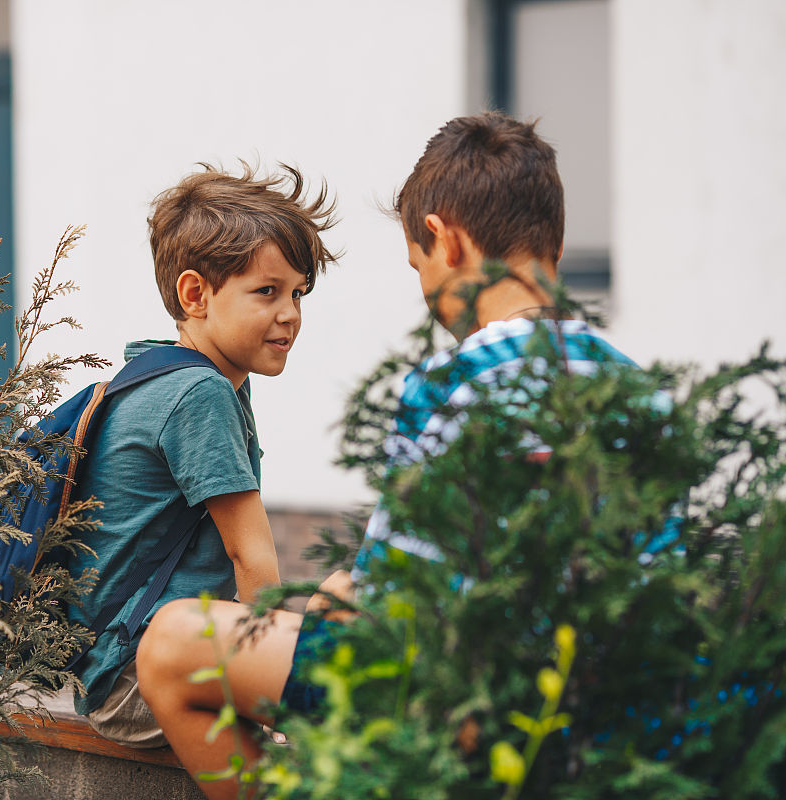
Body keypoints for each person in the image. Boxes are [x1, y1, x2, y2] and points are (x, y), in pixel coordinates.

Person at [135, 111, 637, 799]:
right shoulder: (632, 382)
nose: (427, 292)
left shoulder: (462, 378)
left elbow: (393, 601)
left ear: (444, 240)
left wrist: (317, 612)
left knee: (172, 644)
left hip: (467, 701)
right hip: (608, 696)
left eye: (419, 266)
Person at [69, 163, 337, 748]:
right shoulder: (200, 393)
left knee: (343, 597)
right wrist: (275, 701)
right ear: (196, 294)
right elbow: (252, 559)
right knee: (350, 658)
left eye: (298, 292)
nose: (290, 313)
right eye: (267, 291)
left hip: (124, 670)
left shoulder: (157, 375)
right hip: (140, 681)